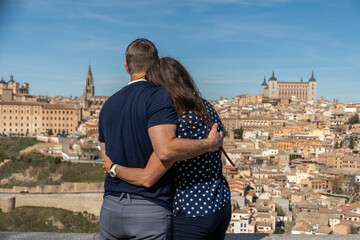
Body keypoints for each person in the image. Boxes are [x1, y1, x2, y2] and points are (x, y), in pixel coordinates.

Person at [98, 39, 223, 240]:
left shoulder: (108, 104)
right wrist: (209, 144)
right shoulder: (161, 97)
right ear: (156, 64)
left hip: (110, 207)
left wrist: (114, 168)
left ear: (125, 66)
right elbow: (165, 151)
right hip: (150, 207)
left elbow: (105, 154)